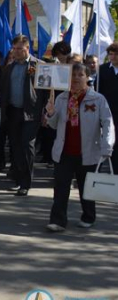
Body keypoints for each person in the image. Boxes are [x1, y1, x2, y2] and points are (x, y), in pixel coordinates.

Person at [45, 63, 114, 232]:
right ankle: (58, 220)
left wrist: (107, 145)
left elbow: (108, 123)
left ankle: (88, 216)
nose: (75, 78)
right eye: (72, 75)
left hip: (88, 151)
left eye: (80, 75)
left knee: (86, 188)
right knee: (60, 189)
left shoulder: (97, 99)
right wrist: (50, 113)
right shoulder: (61, 98)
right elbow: (53, 125)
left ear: (87, 78)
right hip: (63, 152)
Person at [0, 35, 48, 196]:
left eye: (20, 49)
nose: (16, 52)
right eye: (14, 49)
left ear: (28, 48)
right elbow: (2, 91)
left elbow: (47, 92)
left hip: (31, 112)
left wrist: (46, 112)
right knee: (16, 146)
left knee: (27, 146)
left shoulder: (40, 66)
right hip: (13, 111)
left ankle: (26, 182)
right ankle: (19, 179)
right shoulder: (9, 68)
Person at [96, 42, 118, 172]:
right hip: (107, 111)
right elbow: (99, 90)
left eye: (116, 54)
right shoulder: (103, 69)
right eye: (111, 54)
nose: (113, 57)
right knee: (107, 141)